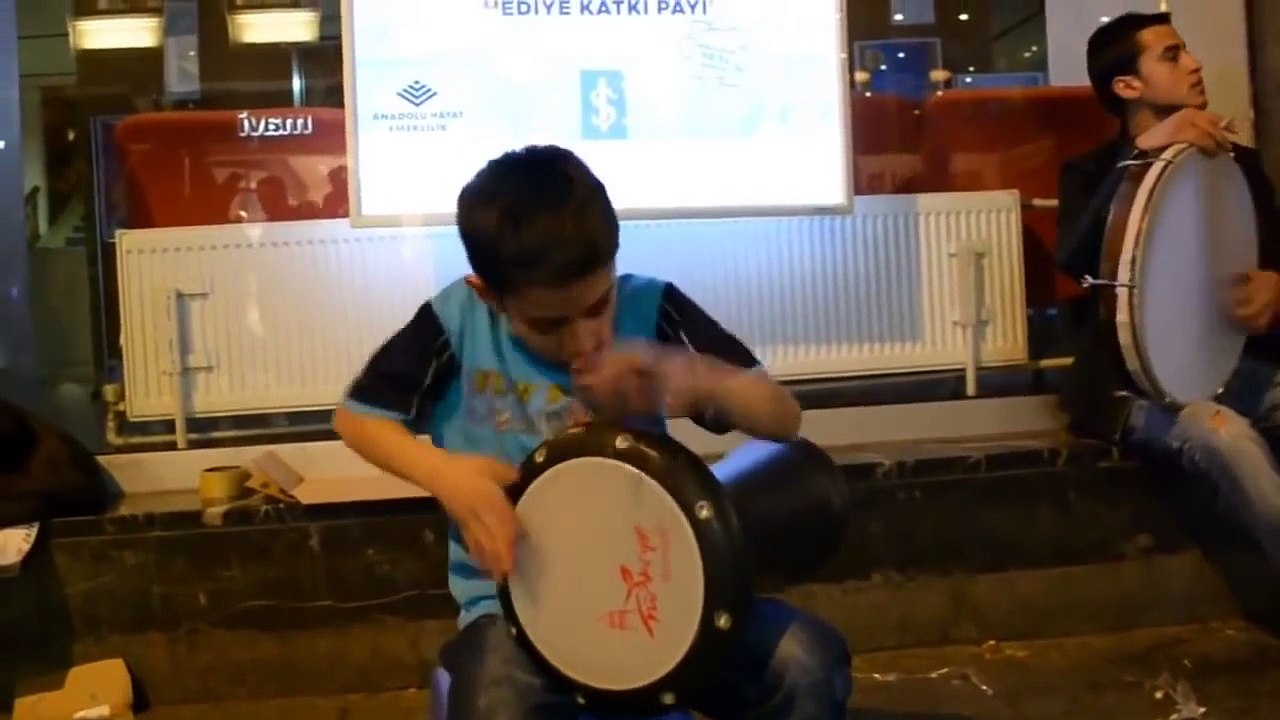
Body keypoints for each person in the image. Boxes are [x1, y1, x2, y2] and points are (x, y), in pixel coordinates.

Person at [333, 144, 852, 719]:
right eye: (549, 324)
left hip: (665, 595)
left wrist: (690, 374)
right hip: (520, 610)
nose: (582, 340)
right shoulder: (456, 322)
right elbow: (356, 418)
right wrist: (445, 476)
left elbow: (783, 419)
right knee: (494, 701)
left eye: (598, 306)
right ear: (487, 294)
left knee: (808, 663)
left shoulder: (651, 307)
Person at [1056, 12, 1280, 565]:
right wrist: (1141, 153)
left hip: (1243, 370)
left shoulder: (1237, 163)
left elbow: (1272, 259)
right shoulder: (1092, 171)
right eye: (1172, 56)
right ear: (1128, 86)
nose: (1195, 64)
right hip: (1146, 389)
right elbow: (1077, 262)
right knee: (1227, 441)